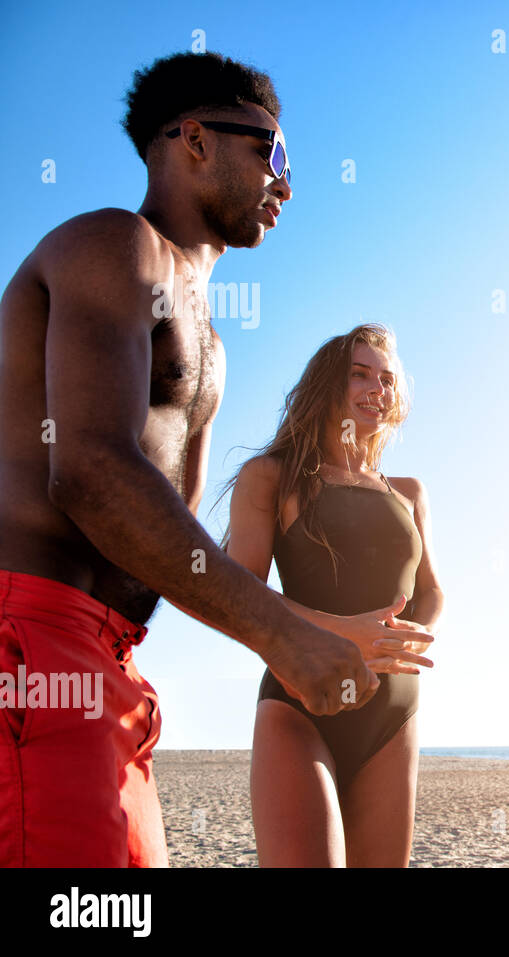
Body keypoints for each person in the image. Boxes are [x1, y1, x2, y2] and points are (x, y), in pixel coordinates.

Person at [0, 51, 404, 867]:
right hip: (33, 641)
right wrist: (281, 635)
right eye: (271, 153)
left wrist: (318, 627)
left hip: (114, 668)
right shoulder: (116, 246)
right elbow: (87, 470)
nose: (285, 182)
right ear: (193, 140)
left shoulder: (211, 342)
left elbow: (177, 549)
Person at [224, 324, 439, 867]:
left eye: (387, 378)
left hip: (394, 710)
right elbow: (234, 594)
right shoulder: (272, 477)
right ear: (327, 386)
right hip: (299, 702)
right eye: (360, 374)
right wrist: (347, 633)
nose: (377, 388)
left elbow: (431, 590)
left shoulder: (409, 492)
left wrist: (406, 639)